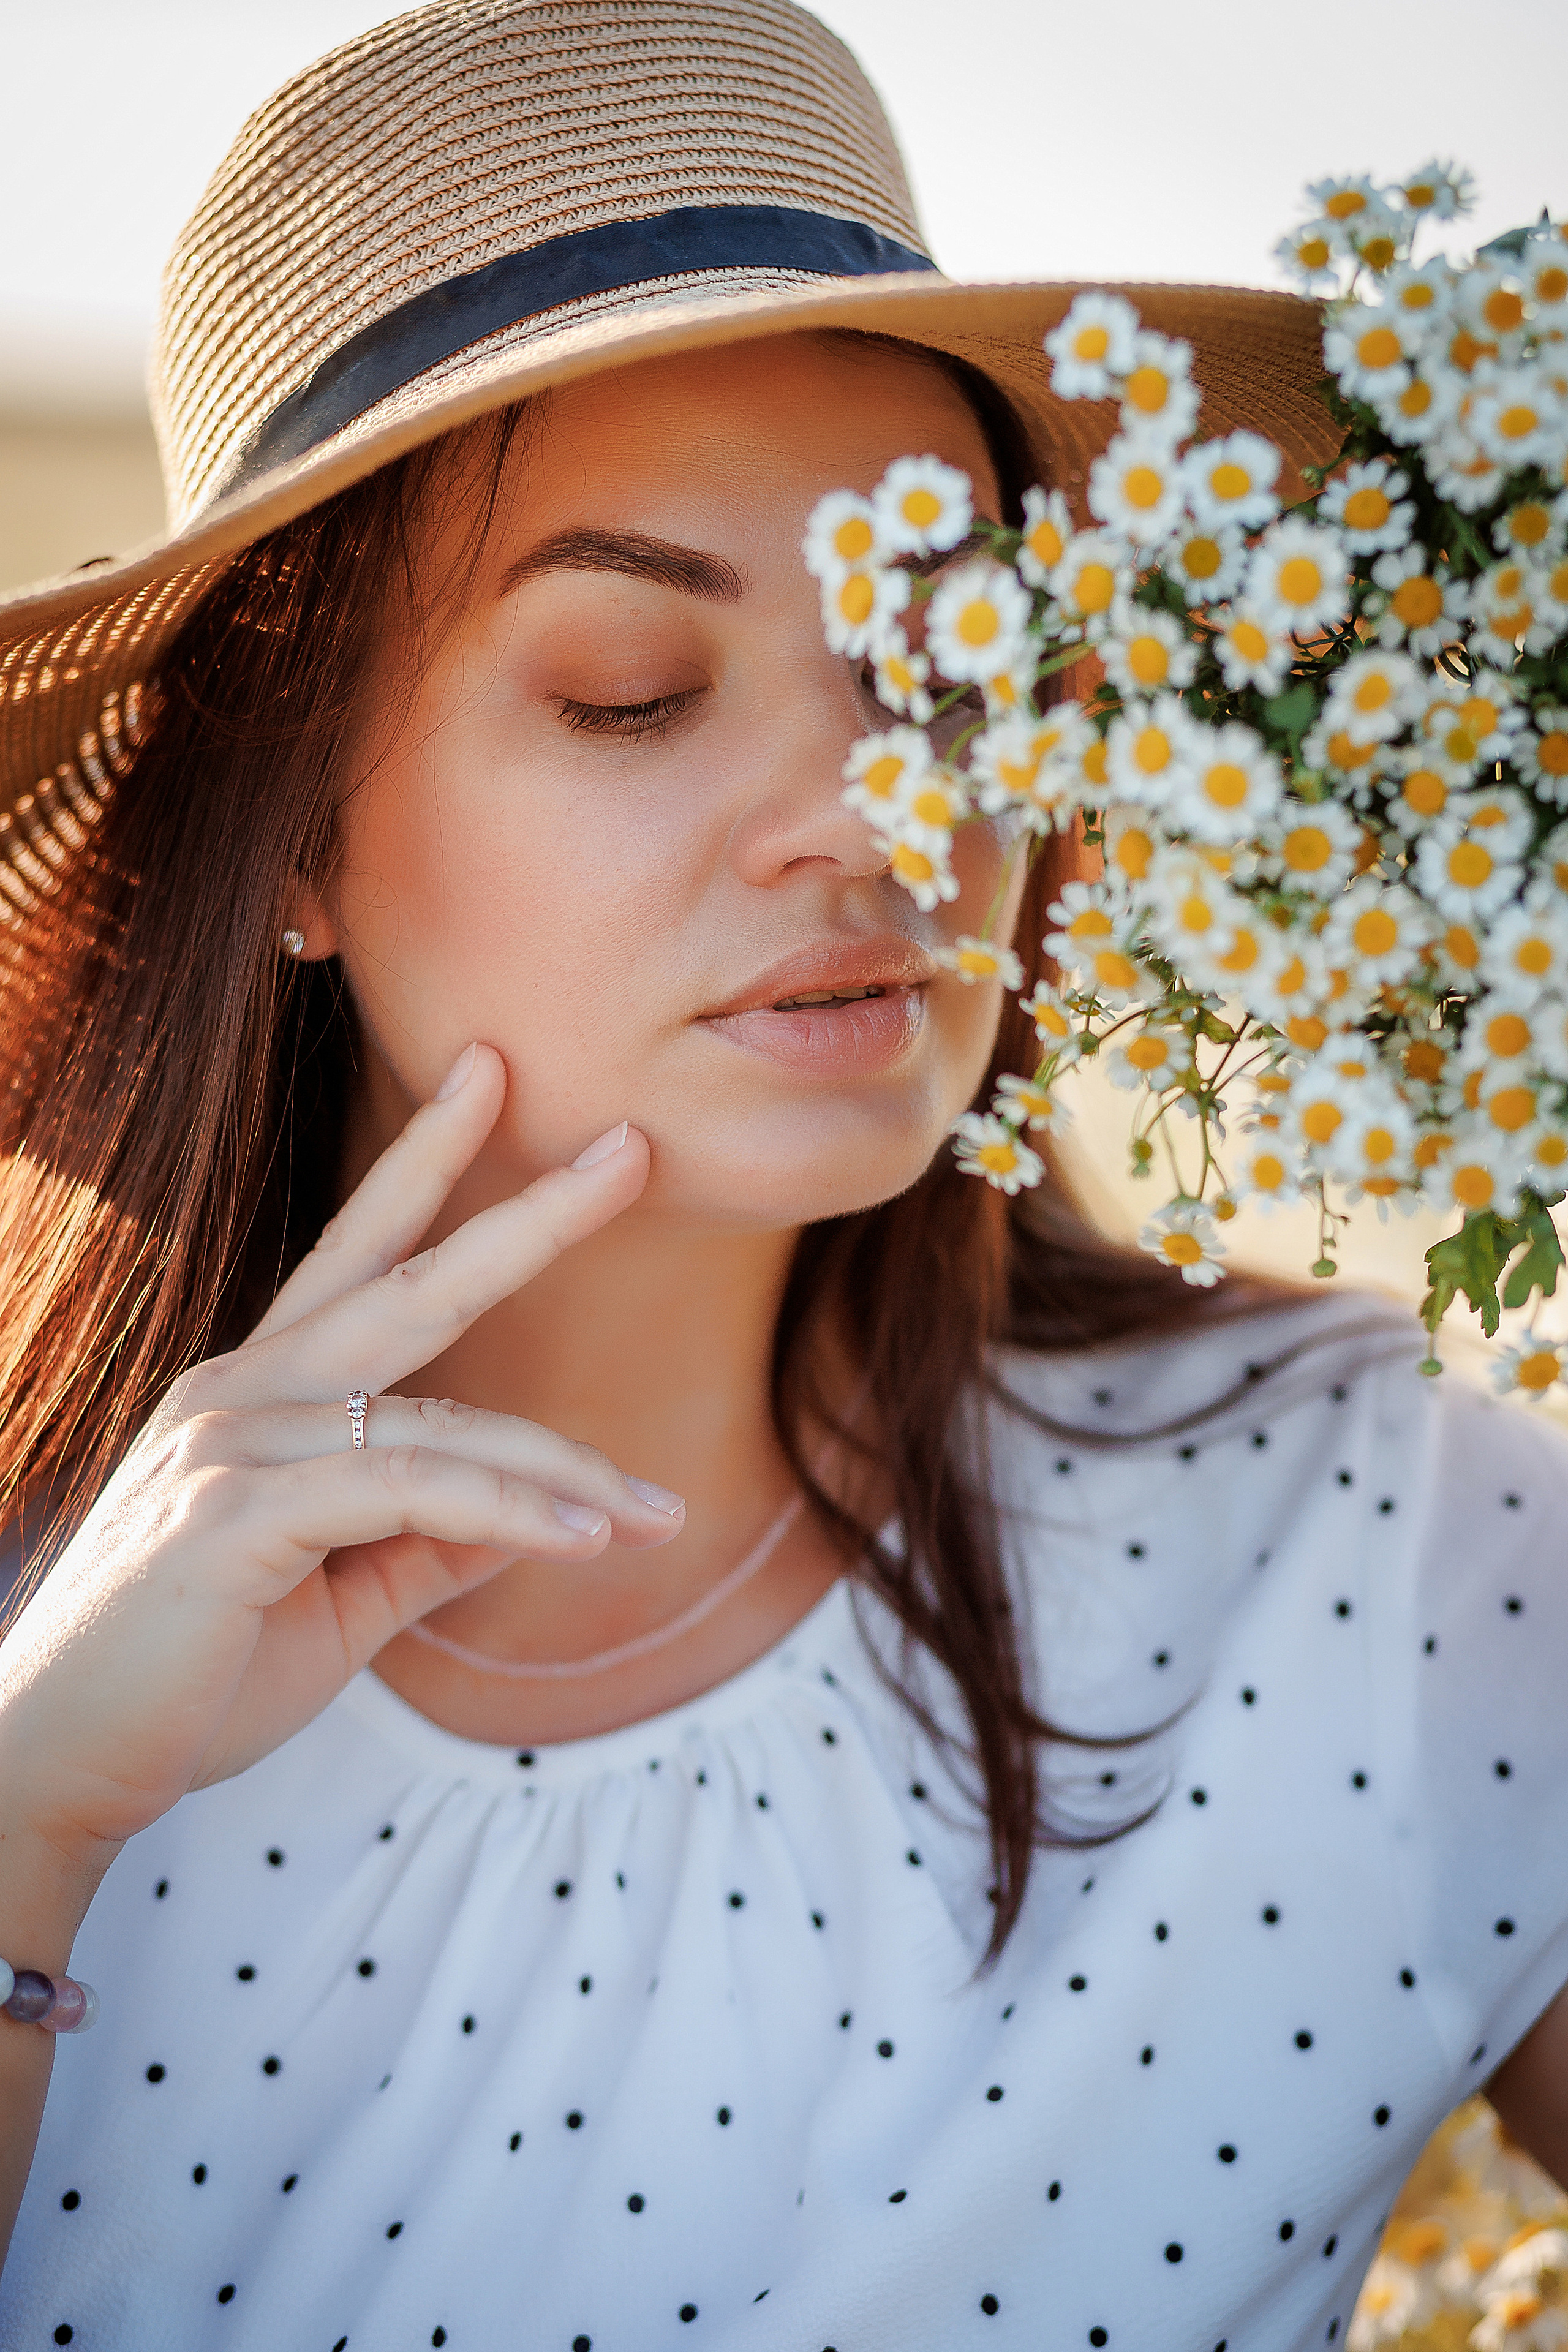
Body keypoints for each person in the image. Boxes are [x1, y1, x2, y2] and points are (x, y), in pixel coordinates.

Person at [1, 4, 1566, 2346]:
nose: (879, 813)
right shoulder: (45, 1671)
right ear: (290, 829)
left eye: (945, 670)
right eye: (633, 686)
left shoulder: (1384, 1546)